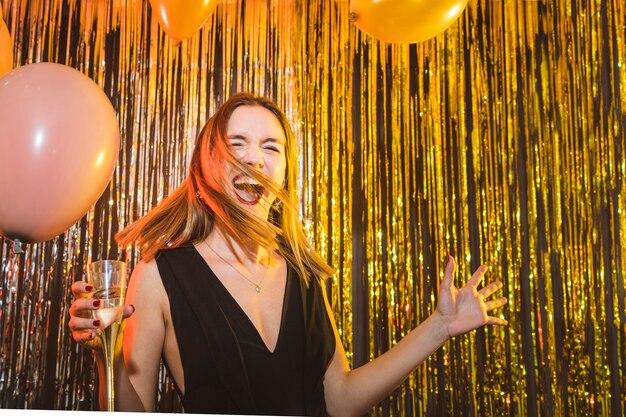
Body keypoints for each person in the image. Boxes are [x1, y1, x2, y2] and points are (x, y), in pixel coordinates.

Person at [68, 92, 508, 416]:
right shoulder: (160, 273)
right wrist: (104, 353)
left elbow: (341, 400)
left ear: (284, 169)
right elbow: (131, 414)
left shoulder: (302, 272)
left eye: (270, 147)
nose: (254, 159)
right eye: (236, 143)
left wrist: (439, 328)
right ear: (208, 162)